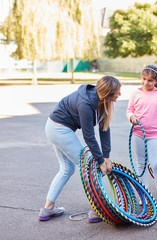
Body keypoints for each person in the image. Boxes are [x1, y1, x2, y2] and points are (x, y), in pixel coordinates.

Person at [39, 76, 121, 223]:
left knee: (67, 169)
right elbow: (89, 137)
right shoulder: (86, 104)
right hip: (59, 129)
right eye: (117, 92)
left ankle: (47, 208)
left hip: (56, 127)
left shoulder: (103, 101)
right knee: (91, 166)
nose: (119, 94)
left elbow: (104, 128)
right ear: (108, 93)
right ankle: (97, 210)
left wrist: (106, 156)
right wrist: (100, 161)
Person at [126, 64, 157, 209]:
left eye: (150, 80)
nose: (146, 83)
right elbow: (129, 110)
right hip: (138, 134)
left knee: (156, 164)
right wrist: (131, 116)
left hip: (155, 135)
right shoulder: (136, 93)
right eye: (144, 79)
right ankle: (143, 194)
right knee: (141, 165)